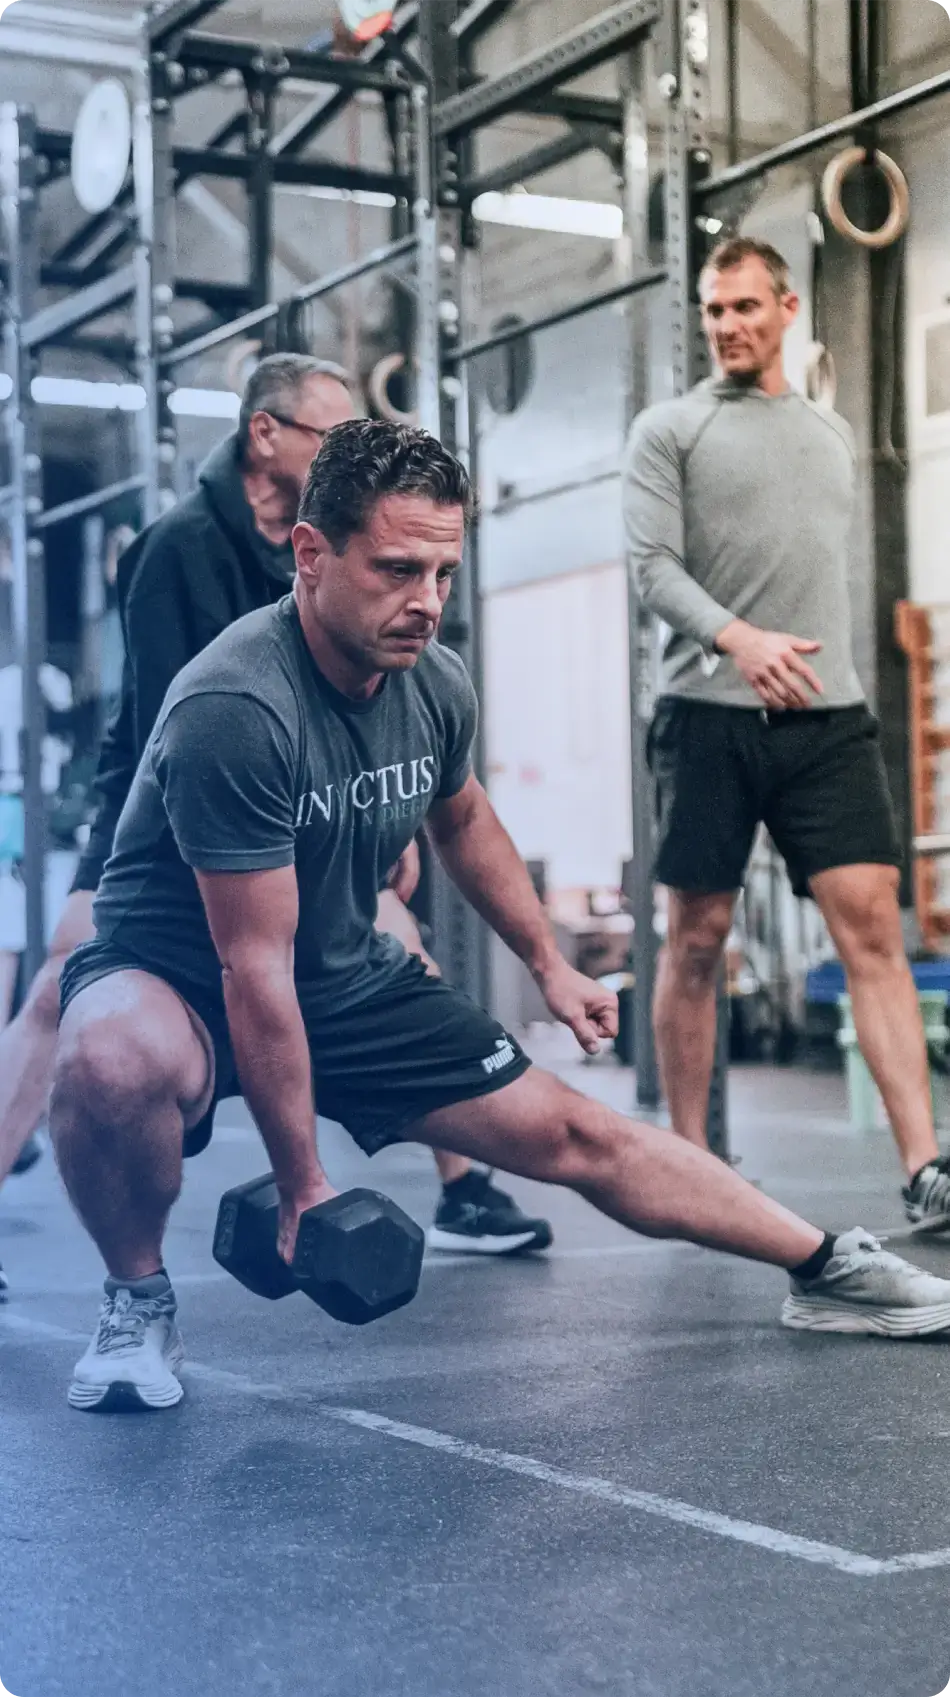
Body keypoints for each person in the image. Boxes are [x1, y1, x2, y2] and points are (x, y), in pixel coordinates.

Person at [48, 419, 950, 1414]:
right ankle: (137, 1299)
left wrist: (549, 962)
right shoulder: (236, 706)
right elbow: (250, 967)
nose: (425, 601)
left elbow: (464, 817)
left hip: (340, 972)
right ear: (310, 554)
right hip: (178, 973)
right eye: (395, 568)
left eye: (442, 570)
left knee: (577, 1130)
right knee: (111, 1057)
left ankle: (827, 1264)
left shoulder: (429, 679)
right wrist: (303, 1184)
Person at [0, 355, 549, 1301]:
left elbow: (345, 700)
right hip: (160, 813)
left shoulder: (320, 540)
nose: (343, 452)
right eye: (326, 435)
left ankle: (465, 1185)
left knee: (399, 947)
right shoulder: (179, 547)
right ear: (266, 437)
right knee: (63, 981)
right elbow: (193, 725)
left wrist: (386, 809)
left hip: (293, 809)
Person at [623, 234, 949, 1231]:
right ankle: (689, 1162)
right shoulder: (665, 429)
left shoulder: (828, 433)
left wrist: (783, 648)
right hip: (706, 716)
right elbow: (650, 568)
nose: (725, 325)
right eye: (712, 311)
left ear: (786, 308)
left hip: (826, 717)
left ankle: (925, 1168)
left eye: (742, 308)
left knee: (871, 929)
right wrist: (737, 636)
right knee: (696, 936)